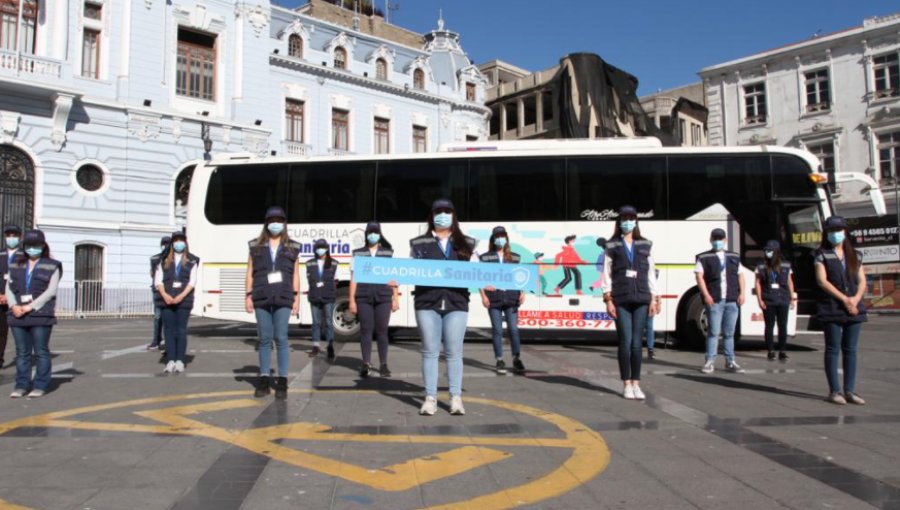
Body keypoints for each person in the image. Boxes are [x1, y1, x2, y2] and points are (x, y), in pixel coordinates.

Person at [410, 198, 477, 416]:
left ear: (453, 215)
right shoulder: (418, 243)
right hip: (426, 302)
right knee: (429, 351)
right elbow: (407, 269)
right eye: (438, 211)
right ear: (432, 215)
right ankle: (430, 398)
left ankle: (455, 398)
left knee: (454, 352)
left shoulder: (467, 243)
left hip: (456, 303)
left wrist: (489, 282)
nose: (443, 215)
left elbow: (478, 271)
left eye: (447, 211)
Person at [601, 206, 659, 400]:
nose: (627, 222)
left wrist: (654, 298)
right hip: (621, 298)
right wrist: (608, 299)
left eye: (631, 218)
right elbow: (606, 275)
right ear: (619, 222)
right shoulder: (612, 246)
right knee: (625, 341)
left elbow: (651, 273)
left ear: (636, 221)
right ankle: (626, 383)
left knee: (637, 343)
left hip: (642, 297)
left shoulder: (645, 245)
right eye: (624, 219)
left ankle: (636, 383)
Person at [245, 206, 300, 399]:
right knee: (265, 339)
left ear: (284, 223)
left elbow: (296, 274)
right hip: (261, 295)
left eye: (279, 220)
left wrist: (296, 298)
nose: (275, 223)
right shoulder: (255, 246)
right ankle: (264, 379)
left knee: (282, 338)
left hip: (284, 296)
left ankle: (283, 380)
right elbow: (250, 271)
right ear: (267, 223)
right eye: (272, 220)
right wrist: (248, 295)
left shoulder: (293, 246)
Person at [815, 216, 867, 405]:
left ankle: (850, 390)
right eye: (831, 231)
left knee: (851, 350)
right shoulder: (821, 255)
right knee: (832, 349)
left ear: (845, 232)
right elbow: (822, 281)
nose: (835, 234)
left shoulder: (856, 255)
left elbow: (862, 281)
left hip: (854, 308)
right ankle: (835, 391)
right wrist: (844, 299)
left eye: (839, 230)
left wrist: (855, 299)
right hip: (832, 307)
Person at [6, 230, 61, 398]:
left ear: (43, 246)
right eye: (29, 245)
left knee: (41, 352)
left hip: (41, 316)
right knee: (22, 353)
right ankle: (21, 385)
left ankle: (40, 385)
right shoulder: (16, 264)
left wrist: (31, 307)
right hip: (17, 315)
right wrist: (13, 305)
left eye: (36, 245)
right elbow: (9, 287)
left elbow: (50, 291)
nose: (32, 249)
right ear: (25, 246)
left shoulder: (52, 265)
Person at [349, 222, 399, 377]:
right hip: (363, 297)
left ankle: (383, 364)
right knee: (366, 330)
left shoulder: (387, 253)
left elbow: (393, 277)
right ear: (366, 234)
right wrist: (352, 300)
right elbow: (354, 278)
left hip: (383, 296)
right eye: (370, 232)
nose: (372, 235)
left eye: (375, 232)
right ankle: (366, 363)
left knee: (382, 331)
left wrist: (395, 298)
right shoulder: (358, 254)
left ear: (380, 234)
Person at [696, 228, 746, 374]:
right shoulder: (704, 257)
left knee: (729, 333)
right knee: (713, 332)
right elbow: (699, 277)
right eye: (715, 238)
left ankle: (730, 361)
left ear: (725, 240)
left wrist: (742, 293)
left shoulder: (734, 257)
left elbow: (741, 276)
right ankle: (709, 361)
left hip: (732, 299)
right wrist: (706, 295)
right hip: (715, 299)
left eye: (720, 238)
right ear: (711, 240)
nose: (718, 241)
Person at [479, 226, 526, 375]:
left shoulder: (515, 257)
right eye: (497, 236)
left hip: (512, 298)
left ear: (506, 239)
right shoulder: (485, 258)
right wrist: (483, 295)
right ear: (493, 239)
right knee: (497, 330)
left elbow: (522, 277)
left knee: (513, 330)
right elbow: (479, 277)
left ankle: (516, 358)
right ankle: (499, 359)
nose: (500, 239)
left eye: (503, 236)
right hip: (494, 299)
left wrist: (523, 293)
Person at [154, 231, 199, 375]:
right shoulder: (163, 260)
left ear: (185, 243)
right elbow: (158, 280)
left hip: (183, 300)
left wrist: (181, 296)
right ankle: (170, 360)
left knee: (181, 330)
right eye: (176, 241)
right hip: (166, 299)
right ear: (172, 244)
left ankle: (180, 360)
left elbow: (192, 282)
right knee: (168, 330)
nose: (179, 243)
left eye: (181, 240)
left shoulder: (192, 260)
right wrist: (165, 295)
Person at [755, 240, 796, 361]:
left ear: (776, 252)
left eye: (770, 251)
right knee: (769, 325)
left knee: (782, 325)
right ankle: (770, 350)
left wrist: (792, 298)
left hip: (783, 299)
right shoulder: (761, 266)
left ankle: (782, 350)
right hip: (768, 299)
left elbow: (789, 282)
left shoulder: (786, 265)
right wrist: (760, 299)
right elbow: (757, 283)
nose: (767, 253)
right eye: (766, 250)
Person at [306, 239, 336, 363]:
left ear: (327, 248)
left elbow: (336, 281)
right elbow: (308, 280)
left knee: (329, 322)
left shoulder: (334, 263)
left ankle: (330, 346)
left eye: (322, 247)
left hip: (328, 296)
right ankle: (316, 346)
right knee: (316, 323)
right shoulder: (309, 263)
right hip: (314, 296)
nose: (320, 249)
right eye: (318, 247)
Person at [1, 225, 22, 369]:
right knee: (1, 332)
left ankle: (23, 358)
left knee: (20, 332)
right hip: (0, 298)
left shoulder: (24, 256)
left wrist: (11, 297)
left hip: (16, 300)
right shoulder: (1, 254)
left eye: (14, 235)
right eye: (9, 235)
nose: (11, 238)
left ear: (20, 237)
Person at [147, 236, 170, 351]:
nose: (165, 246)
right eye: (164, 244)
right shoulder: (156, 259)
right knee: (158, 317)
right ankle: (157, 340)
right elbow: (152, 274)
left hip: (165, 292)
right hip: (159, 291)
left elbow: (151, 274)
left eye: (166, 244)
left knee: (161, 318)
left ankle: (162, 341)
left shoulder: (157, 259)